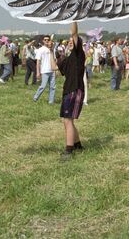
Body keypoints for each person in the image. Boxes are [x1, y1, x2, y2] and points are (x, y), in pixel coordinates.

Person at [56, 22, 85, 159]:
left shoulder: (78, 54)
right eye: (69, 42)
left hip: (75, 89)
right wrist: (48, 50)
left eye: (72, 42)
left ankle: (69, 151)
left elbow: (74, 33)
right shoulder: (66, 59)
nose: (70, 42)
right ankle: (78, 144)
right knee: (67, 121)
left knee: (68, 120)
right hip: (67, 91)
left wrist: (74, 17)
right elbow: (54, 67)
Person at [33, 35, 56, 104]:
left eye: (48, 40)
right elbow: (38, 62)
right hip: (45, 71)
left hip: (52, 71)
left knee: (53, 87)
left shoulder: (52, 49)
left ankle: (51, 101)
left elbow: (54, 60)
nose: (47, 41)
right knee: (43, 86)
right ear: (43, 41)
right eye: (45, 40)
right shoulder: (41, 49)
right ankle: (35, 98)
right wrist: (38, 72)